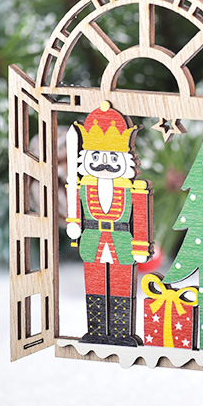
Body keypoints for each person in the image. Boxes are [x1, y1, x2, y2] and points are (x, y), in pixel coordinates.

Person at [66, 101, 153, 346]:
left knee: (121, 287)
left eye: (112, 157)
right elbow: (75, 208)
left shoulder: (134, 189)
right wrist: (73, 222)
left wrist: (141, 245)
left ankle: (121, 333)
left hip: (121, 242)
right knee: (95, 286)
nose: (104, 163)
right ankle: (96, 331)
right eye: (96, 157)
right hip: (92, 241)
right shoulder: (83, 187)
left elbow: (141, 216)